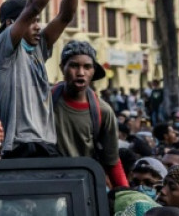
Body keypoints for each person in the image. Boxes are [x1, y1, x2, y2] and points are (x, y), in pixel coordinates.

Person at [0, 0, 83, 158]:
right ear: (12, 25)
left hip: (47, 143)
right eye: (32, 21)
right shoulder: (4, 49)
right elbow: (34, 6)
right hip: (21, 145)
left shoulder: (39, 48)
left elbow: (66, 15)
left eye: (38, 20)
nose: (38, 26)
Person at [53, 40, 128, 187]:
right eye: (74, 66)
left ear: (93, 71)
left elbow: (112, 161)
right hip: (50, 182)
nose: (81, 73)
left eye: (87, 67)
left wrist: (127, 194)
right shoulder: (45, 102)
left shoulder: (103, 111)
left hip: (83, 186)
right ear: (63, 68)